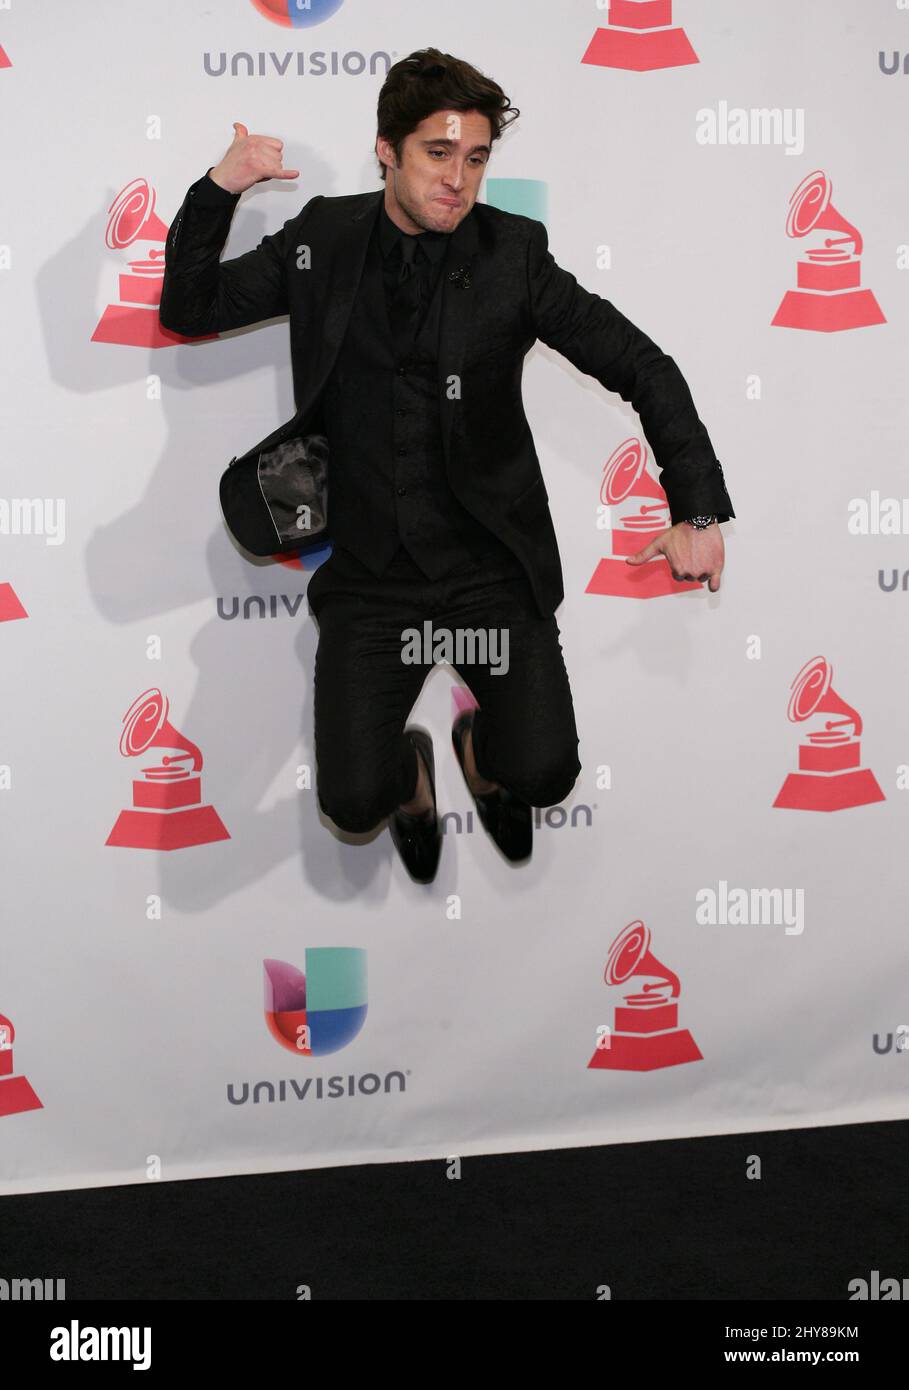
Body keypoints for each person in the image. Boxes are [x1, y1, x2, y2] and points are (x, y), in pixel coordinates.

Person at [159, 47, 735, 885]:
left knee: (544, 774)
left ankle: (479, 747)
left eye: (475, 159)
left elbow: (642, 364)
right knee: (353, 803)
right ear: (386, 150)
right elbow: (191, 305)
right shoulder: (323, 237)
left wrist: (698, 509)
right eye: (437, 154)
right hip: (369, 576)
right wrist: (222, 187)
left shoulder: (513, 256)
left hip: (489, 574)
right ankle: (412, 774)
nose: (458, 181)